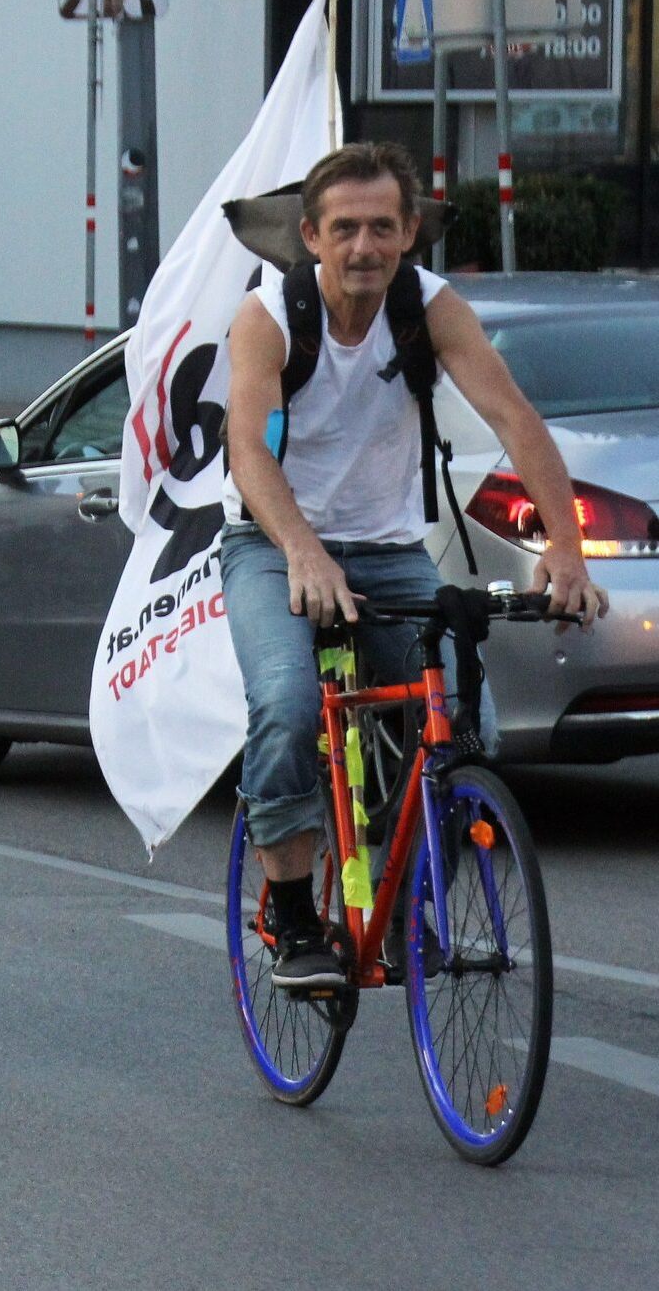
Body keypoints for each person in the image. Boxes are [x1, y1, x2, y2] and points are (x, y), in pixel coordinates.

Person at [222, 142, 609, 993]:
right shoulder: (271, 318)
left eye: (384, 228)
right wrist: (302, 549)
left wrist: (568, 552)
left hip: (390, 553)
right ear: (312, 236)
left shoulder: (428, 307)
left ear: (408, 236)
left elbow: (514, 418)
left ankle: (400, 891)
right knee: (288, 709)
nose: (366, 246)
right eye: (347, 229)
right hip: (270, 543)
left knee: (468, 729)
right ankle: (290, 914)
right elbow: (246, 448)